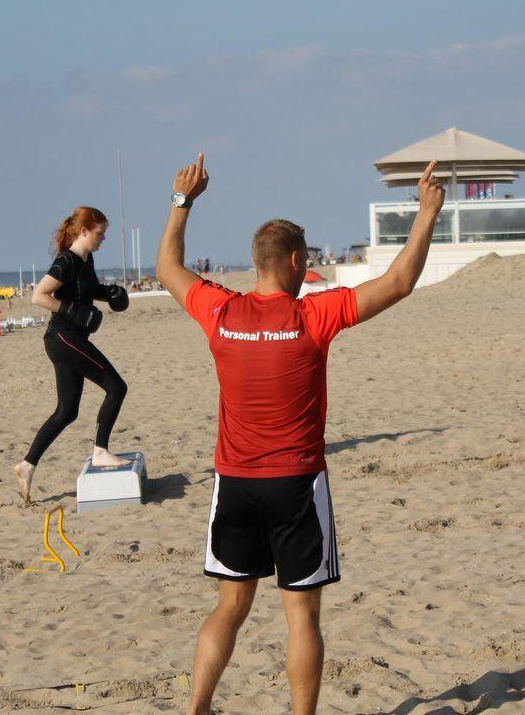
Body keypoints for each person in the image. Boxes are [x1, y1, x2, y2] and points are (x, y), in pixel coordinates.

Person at [156, 154, 446, 715]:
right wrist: (427, 212)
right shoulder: (313, 317)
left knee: (229, 607)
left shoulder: (221, 312)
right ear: (292, 261)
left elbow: (168, 268)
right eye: (306, 260)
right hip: (295, 488)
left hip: (234, 483)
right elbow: (400, 281)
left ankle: (196, 709)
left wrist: (181, 201)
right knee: (301, 616)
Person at [12, 206, 132, 506]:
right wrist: (71, 310)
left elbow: (84, 292)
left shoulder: (86, 260)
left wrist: (109, 294)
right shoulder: (67, 261)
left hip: (68, 339)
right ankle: (101, 451)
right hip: (64, 338)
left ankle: (26, 465)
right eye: (100, 234)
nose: (102, 240)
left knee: (67, 411)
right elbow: (39, 296)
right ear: (83, 231)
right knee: (117, 387)